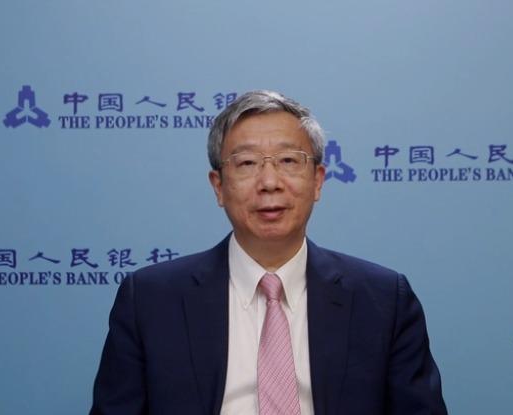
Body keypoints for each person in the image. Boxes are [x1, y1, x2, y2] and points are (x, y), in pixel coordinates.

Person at [90, 90, 448, 415]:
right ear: (218, 186)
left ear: (318, 180)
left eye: (289, 161)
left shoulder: (383, 300)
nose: (270, 182)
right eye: (247, 163)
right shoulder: (150, 300)